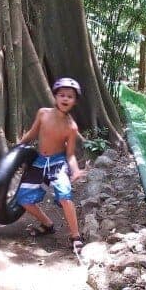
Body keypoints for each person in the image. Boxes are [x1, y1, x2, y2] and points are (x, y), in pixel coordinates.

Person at [17, 77, 87, 253]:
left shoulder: (71, 127)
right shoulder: (43, 114)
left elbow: (70, 154)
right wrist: (17, 148)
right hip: (39, 162)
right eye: (62, 95)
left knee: (65, 196)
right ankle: (48, 224)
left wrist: (76, 170)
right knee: (23, 198)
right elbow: (32, 134)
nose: (65, 99)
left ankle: (75, 236)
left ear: (74, 101)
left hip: (57, 163)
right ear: (55, 97)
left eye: (69, 96)